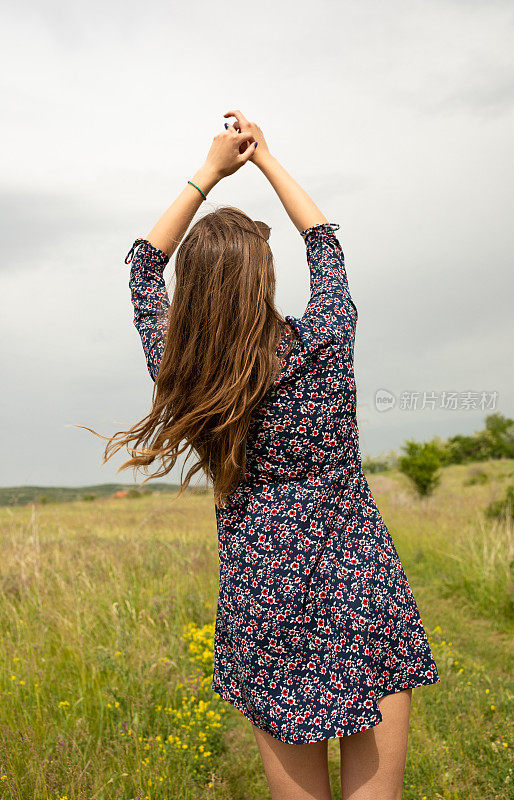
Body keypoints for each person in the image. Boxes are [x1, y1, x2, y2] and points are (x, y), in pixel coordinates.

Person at [113, 110, 440, 800]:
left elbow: (143, 268)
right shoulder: (325, 341)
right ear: (263, 279)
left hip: (265, 608)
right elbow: (324, 243)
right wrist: (262, 158)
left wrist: (208, 171)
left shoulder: (185, 370)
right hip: (361, 595)